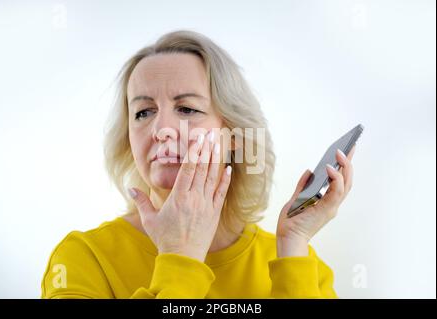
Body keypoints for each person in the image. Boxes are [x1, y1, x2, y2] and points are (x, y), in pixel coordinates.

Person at [41, 30, 356, 299]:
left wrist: (293, 242)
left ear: (234, 133)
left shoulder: (297, 261)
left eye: (187, 109)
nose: (161, 128)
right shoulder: (81, 257)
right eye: (143, 112)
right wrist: (181, 257)